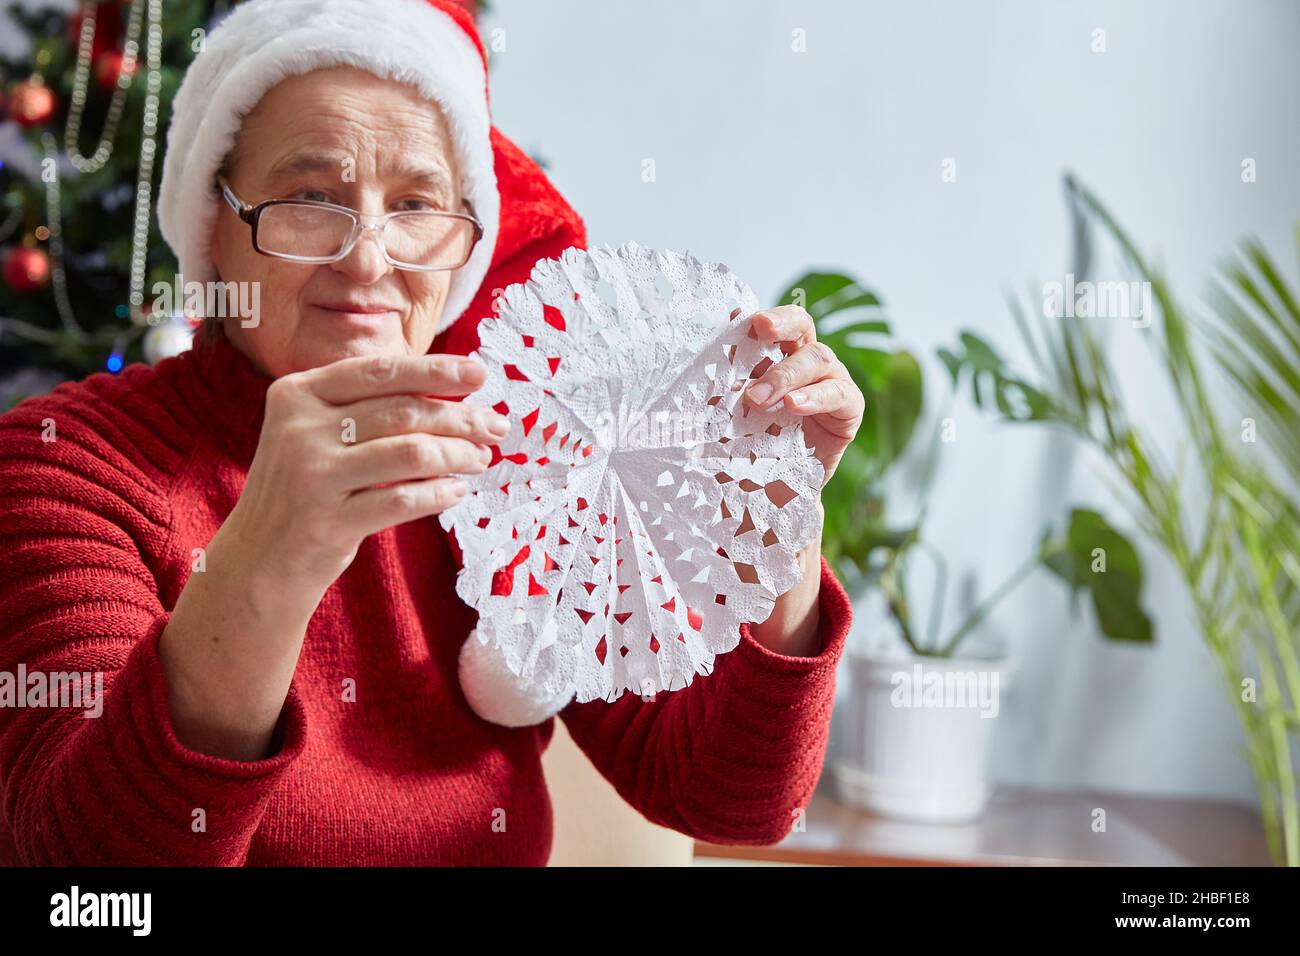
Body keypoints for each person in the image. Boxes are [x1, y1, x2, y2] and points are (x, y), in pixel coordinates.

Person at [0, 0, 864, 865]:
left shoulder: (522, 463)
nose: (370, 260)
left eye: (415, 205)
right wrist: (267, 561)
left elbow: (727, 799)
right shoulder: (66, 465)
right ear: (214, 226)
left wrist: (773, 525)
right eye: (310, 198)